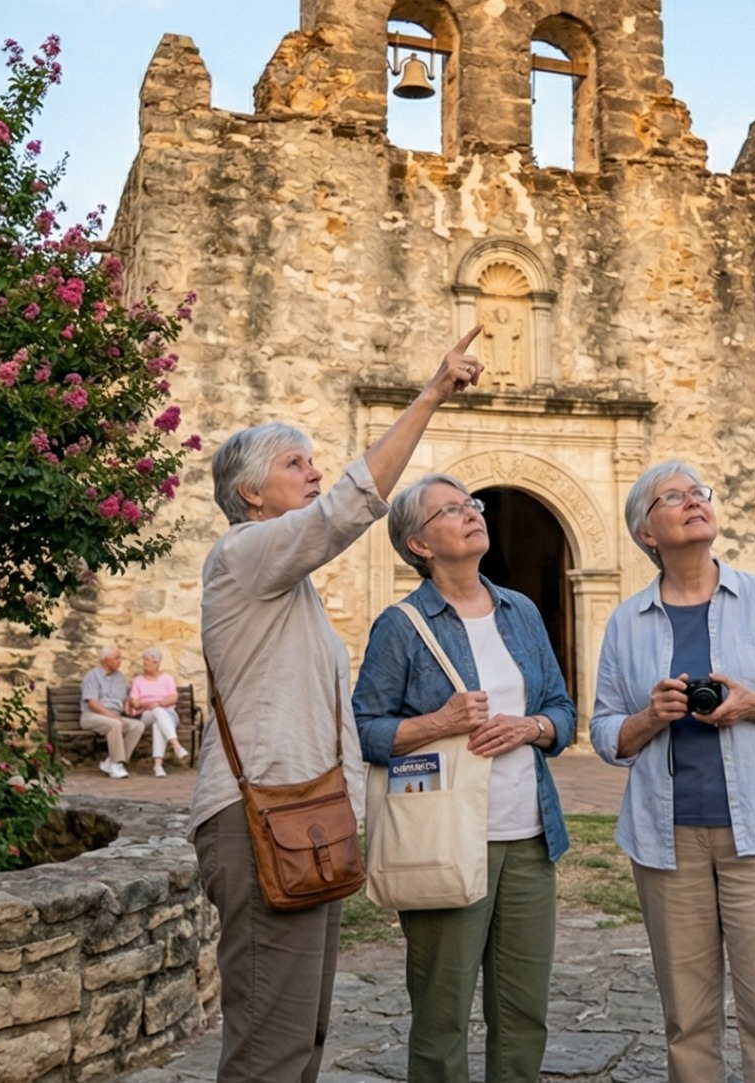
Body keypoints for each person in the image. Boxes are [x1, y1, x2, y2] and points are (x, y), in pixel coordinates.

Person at [194, 328, 484, 1083]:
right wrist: (429, 395)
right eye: (295, 463)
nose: (314, 471)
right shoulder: (242, 555)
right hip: (261, 816)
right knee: (270, 1041)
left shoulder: (285, 583)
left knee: (301, 1030)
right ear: (250, 493)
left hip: (304, 815)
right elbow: (347, 509)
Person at [589, 461, 755, 1083]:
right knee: (688, 1026)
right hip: (667, 844)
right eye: (672, 497)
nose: (693, 501)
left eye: (699, 492)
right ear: (647, 533)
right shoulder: (625, 622)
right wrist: (651, 715)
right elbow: (604, 734)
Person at [353, 474, 576, 1083]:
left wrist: (533, 728)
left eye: (470, 505)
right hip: (445, 838)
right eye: (450, 510)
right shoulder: (400, 626)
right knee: (442, 1014)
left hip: (530, 838)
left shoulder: (521, 610)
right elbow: (364, 729)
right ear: (418, 544)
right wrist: (439, 722)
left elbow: (563, 710)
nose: (471, 514)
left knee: (524, 1010)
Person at [81, 644, 141, 779]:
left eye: (120, 658)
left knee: (138, 726)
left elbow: (123, 697)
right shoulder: (92, 676)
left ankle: (111, 761)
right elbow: (92, 702)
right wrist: (113, 716)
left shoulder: (119, 677)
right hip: (92, 716)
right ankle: (116, 764)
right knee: (115, 724)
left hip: (114, 716)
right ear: (105, 660)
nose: (120, 661)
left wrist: (127, 704)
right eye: (116, 658)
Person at [130, 646, 190, 776]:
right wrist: (145, 703)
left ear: (156, 663)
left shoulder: (167, 678)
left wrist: (159, 703)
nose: (145, 663)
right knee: (157, 711)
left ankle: (158, 766)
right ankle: (176, 745)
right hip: (146, 715)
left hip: (169, 715)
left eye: (148, 660)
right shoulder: (137, 681)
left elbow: (174, 697)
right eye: (145, 659)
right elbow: (134, 702)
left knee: (158, 724)